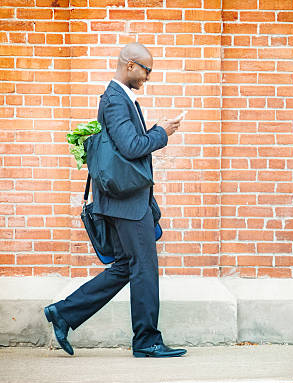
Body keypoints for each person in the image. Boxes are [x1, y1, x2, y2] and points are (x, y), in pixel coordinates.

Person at [44, 42, 186, 358]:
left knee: (124, 266)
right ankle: (147, 340)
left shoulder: (122, 99)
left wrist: (156, 131)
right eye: (147, 70)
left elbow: (126, 146)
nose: (149, 77)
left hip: (125, 200)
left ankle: (63, 314)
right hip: (127, 203)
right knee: (145, 268)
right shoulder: (115, 100)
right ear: (130, 64)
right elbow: (133, 147)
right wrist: (162, 132)